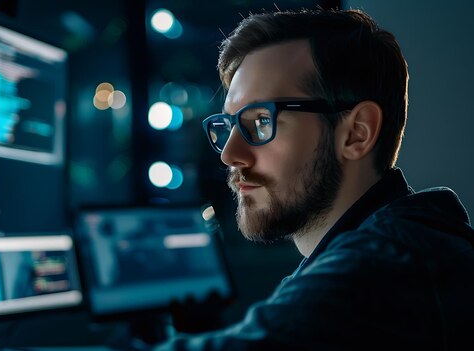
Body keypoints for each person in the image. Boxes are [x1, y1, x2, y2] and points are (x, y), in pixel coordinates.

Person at [151, 8, 474, 351]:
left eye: (261, 121)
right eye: (229, 124)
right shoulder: (389, 249)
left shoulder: (387, 267)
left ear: (356, 134)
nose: (229, 154)